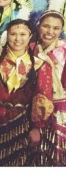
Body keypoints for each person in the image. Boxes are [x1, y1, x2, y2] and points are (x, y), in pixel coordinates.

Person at [0, 19, 54, 166]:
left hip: (24, 124)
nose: (18, 39)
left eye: (23, 34)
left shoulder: (40, 65)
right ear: (7, 35)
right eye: (13, 34)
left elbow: (42, 96)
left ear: (30, 37)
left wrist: (37, 127)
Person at [31, 9, 66, 165]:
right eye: (46, 26)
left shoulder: (64, 51)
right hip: (31, 111)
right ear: (39, 26)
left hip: (60, 111)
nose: (50, 32)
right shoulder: (29, 48)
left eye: (56, 28)